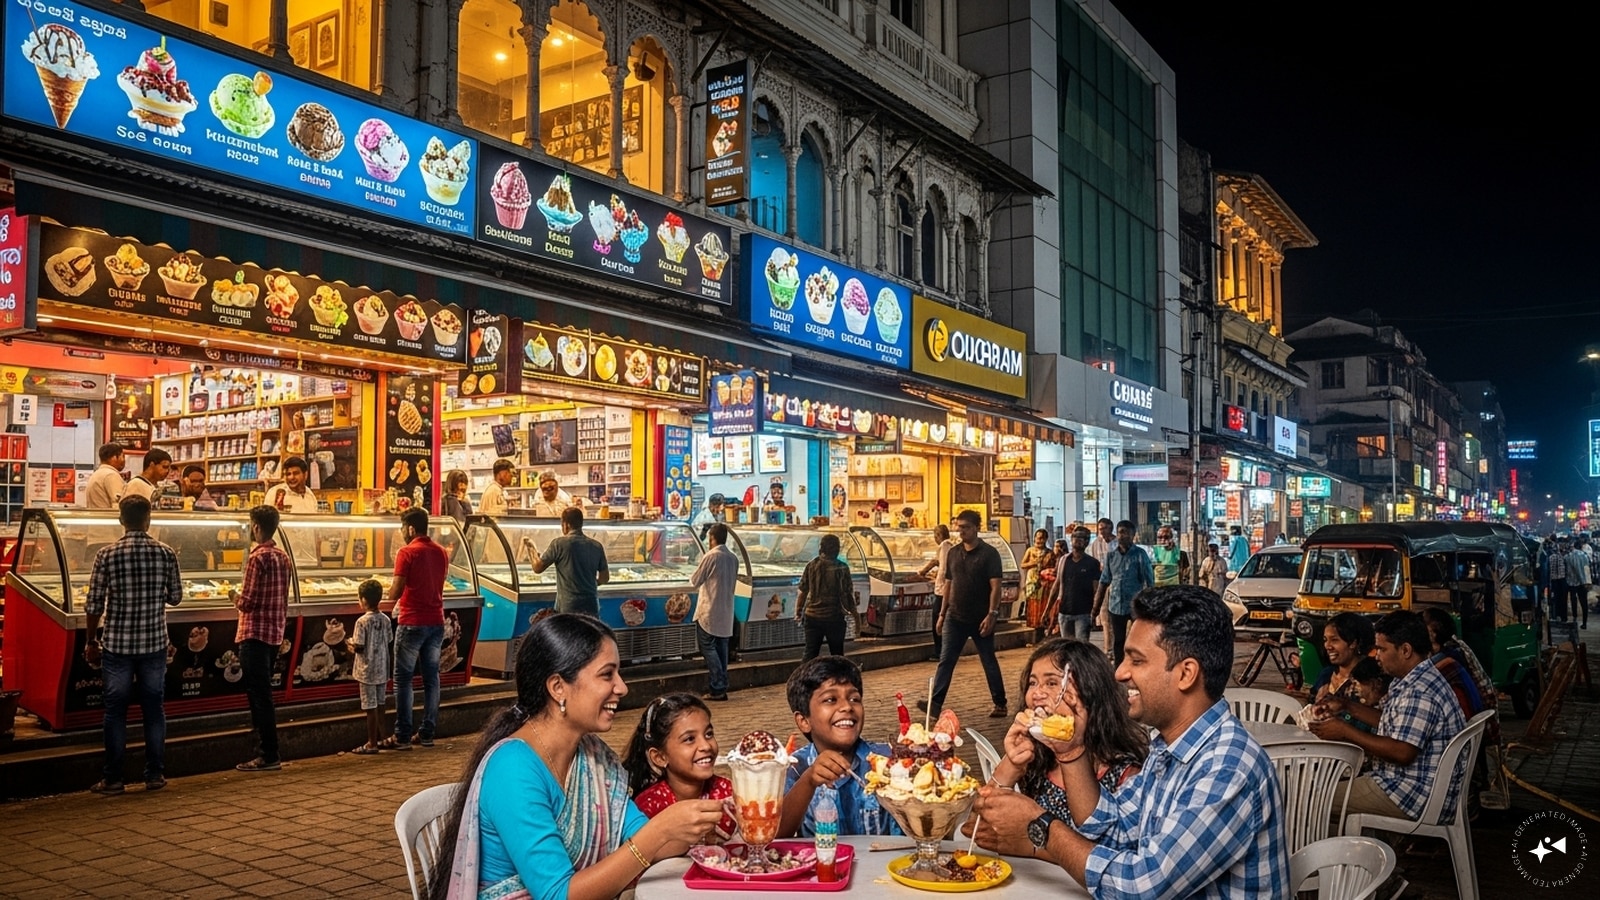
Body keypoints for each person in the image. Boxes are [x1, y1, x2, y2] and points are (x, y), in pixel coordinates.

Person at [967, 585, 1289, 897]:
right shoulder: (1167, 750)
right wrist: (1072, 752)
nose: (1120, 673)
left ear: (1186, 674)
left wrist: (1040, 827)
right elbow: (1112, 829)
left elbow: (1141, 886)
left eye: (1136, 661)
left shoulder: (1227, 766)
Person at [428, 614, 724, 899]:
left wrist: (694, 822)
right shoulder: (513, 769)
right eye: (607, 674)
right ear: (558, 687)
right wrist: (659, 831)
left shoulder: (594, 756)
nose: (622, 687)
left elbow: (644, 836)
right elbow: (557, 894)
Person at [1309, 610, 1467, 821]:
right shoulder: (1414, 679)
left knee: (1309, 797)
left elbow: (1402, 752)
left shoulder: (1419, 692)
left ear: (1405, 650)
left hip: (1410, 794)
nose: (1377, 656)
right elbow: (1391, 722)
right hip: (1407, 786)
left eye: (1382, 649)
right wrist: (1347, 706)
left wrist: (1344, 731)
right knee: (1322, 788)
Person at [84, 496, 183, 794]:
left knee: (115, 712)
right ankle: (154, 775)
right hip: (154, 644)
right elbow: (175, 597)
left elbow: (94, 604)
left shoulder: (106, 554)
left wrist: (91, 641)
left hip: (117, 646)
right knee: (153, 709)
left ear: (121, 519)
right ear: (148, 519)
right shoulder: (165, 553)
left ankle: (114, 779)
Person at [990, 638, 1146, 823]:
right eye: (1032, 683)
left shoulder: (1126, 776)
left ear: (1090, 694)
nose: (1036, 694)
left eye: (1052, 683)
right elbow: (976, 826)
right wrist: (1012, 764)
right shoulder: (1038, 760)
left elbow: (1098, 839)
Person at [779, 655, 900, 837]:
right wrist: (808, 781)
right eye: (830, 699)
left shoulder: (888, 760)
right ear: (804, 721)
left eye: (854, 699)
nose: (847, 707)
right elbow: (776, 835)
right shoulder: (794, 768)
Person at [925, 509, 1009, 719]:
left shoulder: (989, 554)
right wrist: (942, 614)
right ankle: (935, 704)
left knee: (988, 659)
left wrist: (992, 614)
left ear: (976, 528)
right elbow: (948, 585)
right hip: (955, 617)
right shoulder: (953, 553)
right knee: (946, 660)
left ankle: (1000, 703)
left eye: (966, 527)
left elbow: (996, 587)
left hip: (981, 617)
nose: (961, 531)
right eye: (959, 527)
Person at [622, 693, 737, 842]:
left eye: (708, 734)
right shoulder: (649, 807)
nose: (706, 746)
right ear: (660, 757)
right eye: (689, 739)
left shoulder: (729, 793)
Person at [229, 505, 291, 772]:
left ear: (256, 526)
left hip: (254, 633)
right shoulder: (283, 557)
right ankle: (266, 751)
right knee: (264, 693)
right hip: (274, 633)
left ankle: (268, 754)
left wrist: (233, 596)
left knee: (259, 696)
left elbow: (248, 602)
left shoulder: (257, 558)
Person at [382, 507, 450, 750]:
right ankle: (427, 733)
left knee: (403, 680)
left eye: (402, 528)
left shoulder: (406, 552)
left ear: (410, 528)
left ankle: (402, 735)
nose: (402, 532)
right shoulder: (441, 552)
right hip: (436, 621)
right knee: (432, 679)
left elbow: (396, 591)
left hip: (411, 622)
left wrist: (384, 592)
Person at [529, 506, 611, 616]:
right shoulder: (597, 546)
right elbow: (605, 578)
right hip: (591, 605)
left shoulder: (559, 544)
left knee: (568, 628)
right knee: (589, 628)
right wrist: (589, 583)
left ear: (566, 524)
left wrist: (531, 550)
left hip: (568, 606)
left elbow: (537, 568)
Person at [1093, 520, 1154, 665]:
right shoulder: (1111, 556)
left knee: (1137, 639)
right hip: (1116, 605)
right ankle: (1119, 668)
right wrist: (1095, 608)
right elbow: (1104, 582)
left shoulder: (1140, 554)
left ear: (1133, 535)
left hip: (1135, 605)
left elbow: (1149, 582)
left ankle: (1137, 666)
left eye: (1126, 533)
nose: (1123, 536)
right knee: (1118, 640)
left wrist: (1149, 605)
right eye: (1120, 532)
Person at [690, 523, 739, 701]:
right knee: (721, 649)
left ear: (712, 538)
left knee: (708, 648)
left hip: (709, 611)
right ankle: (721, 687)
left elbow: (695, 580)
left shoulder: (711, 556)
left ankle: (718, 686)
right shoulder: (733, 558)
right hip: (726, 611)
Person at [796, 533, 859, 661]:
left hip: (812, 616)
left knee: (810, 654)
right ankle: (837, 674)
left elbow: (803, 591)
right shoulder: (842, 567)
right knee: (837, 654)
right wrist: (856, 618)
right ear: (837, 549)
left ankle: (805, 674)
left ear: (821, 547)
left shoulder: (811, 565)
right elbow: (848, 595)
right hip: (834, 617)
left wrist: (798, 611)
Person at [347, 578, 393, 756]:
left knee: (369, 707)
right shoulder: (386, 619)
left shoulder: (361, 622)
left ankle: (372, 743)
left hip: (366, 671)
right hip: (382, 669)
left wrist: (349, 644)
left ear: (364, 600)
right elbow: (389, 640)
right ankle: (384, 737)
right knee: (381, 704)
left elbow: (359, 645)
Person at [1309, 612, 1376, 704]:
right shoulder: (1326, 675)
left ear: (1353, 643)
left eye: (1334, 640)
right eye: (1325, 640)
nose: (1327, 646)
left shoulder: (1369, 681)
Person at [1049, 527, 1101, 642]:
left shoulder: (1092, 563)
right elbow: (1057, 585)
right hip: (1064, 611)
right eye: (1075, 537)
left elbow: (1096, 589)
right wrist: (1047, 609)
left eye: (1081, 537)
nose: (1077, 539)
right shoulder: (1064, 560)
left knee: (1081, 646)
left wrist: (1094, 612)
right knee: (1066, 646)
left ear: (1087, 542)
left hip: (1083, 613)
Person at [917, 523, 957, 660]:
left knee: (938, 619)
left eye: (935, 536)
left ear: (939, 535)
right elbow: (937, 562)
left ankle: (940, 651)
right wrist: (926, 571)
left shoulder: (945, 546)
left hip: (942, 590)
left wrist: (938, 580)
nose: (935, 538)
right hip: (946, 588)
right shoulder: (950, 546)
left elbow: (944, 568)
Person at [1020, 529, 1056, 642]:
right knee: (1032, 604)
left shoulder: (1049, 553)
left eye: (1041, 538)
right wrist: (1034, 563)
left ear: (1045, 539)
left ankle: (1043, 628)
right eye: (1037, 538)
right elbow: (1022, 564)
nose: (1039, 540)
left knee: (1043, 604)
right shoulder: (1030, 550)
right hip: (1032, 580)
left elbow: (1054, 568)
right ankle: (1034, 629)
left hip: (1045, 583)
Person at [1087, 518, 1114, 653]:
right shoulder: (1095, 544)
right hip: (1102, 582)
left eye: (1105, 528)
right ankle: (1108, 648)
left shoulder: (1117, 543)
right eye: (1100, 529)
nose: (1102, 531)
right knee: (1105, 618)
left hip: (1116, 583)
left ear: (1111, 528)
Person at [85, 442, 127, 509]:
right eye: (123, 456)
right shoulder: (111, 475)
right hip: (107, 515)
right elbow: (118, 505)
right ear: (114, 457)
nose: (124, 460)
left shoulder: (97, 474)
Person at [1566, 538, 1591, 628]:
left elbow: (1568, 569)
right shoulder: (1585, 555)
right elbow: (1587, 568)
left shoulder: (1569, 556)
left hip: (1572, 582)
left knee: (1574, 600)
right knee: (1584, 602)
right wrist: (1587, 582)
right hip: (1583, 582)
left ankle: (1575, 618)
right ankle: (1584, 623)